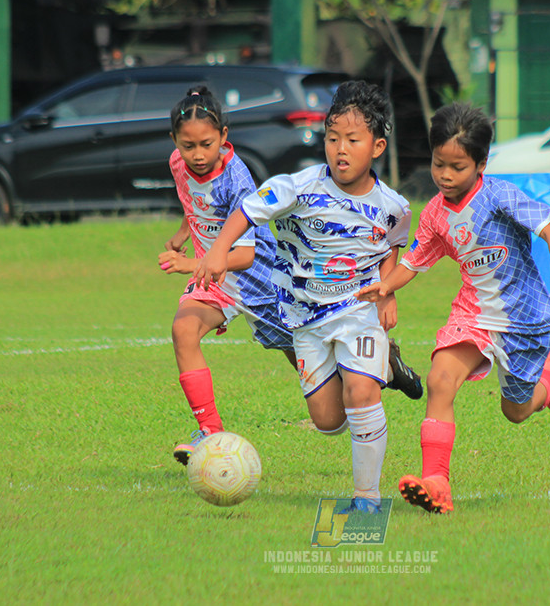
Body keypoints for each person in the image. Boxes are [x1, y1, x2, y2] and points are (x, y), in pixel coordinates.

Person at [355, 102, 550, 514]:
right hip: (473, 313)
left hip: (524, 318)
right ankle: (437, 482)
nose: (445, 175)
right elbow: (414, 262)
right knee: (440, 379)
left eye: (457, 167)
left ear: (481, 164)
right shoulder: (434, 214)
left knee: (515, 411)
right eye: (438, 164)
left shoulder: (499, 196)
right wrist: (385, 286)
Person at [193, 80, 413, 513]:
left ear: (377, 146)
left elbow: (391, 248)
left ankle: (367, 499)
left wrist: (387, 292)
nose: (340, 150)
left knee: (361, 394)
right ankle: (387, 364)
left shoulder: (394, 206)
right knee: (328, 421)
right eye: (332, 139)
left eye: (353, 140)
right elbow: (246, 211)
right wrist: (219, 250)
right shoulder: (297, 186)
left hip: (359, 311)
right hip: (304, 316)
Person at [159, 86, 298, 467]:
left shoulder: (237, 180)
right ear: (174, 141)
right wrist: (184, 233)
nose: (197, 155)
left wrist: (192, 264)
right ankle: (210, 433)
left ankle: (380, 367)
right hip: (214, 279)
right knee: (183, 330)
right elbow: (192, 199)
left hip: (259, 278)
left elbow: (246, 255)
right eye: (188, 146)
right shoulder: (177, 162)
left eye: (207, 144)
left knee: (310, 366)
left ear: (223, 136)